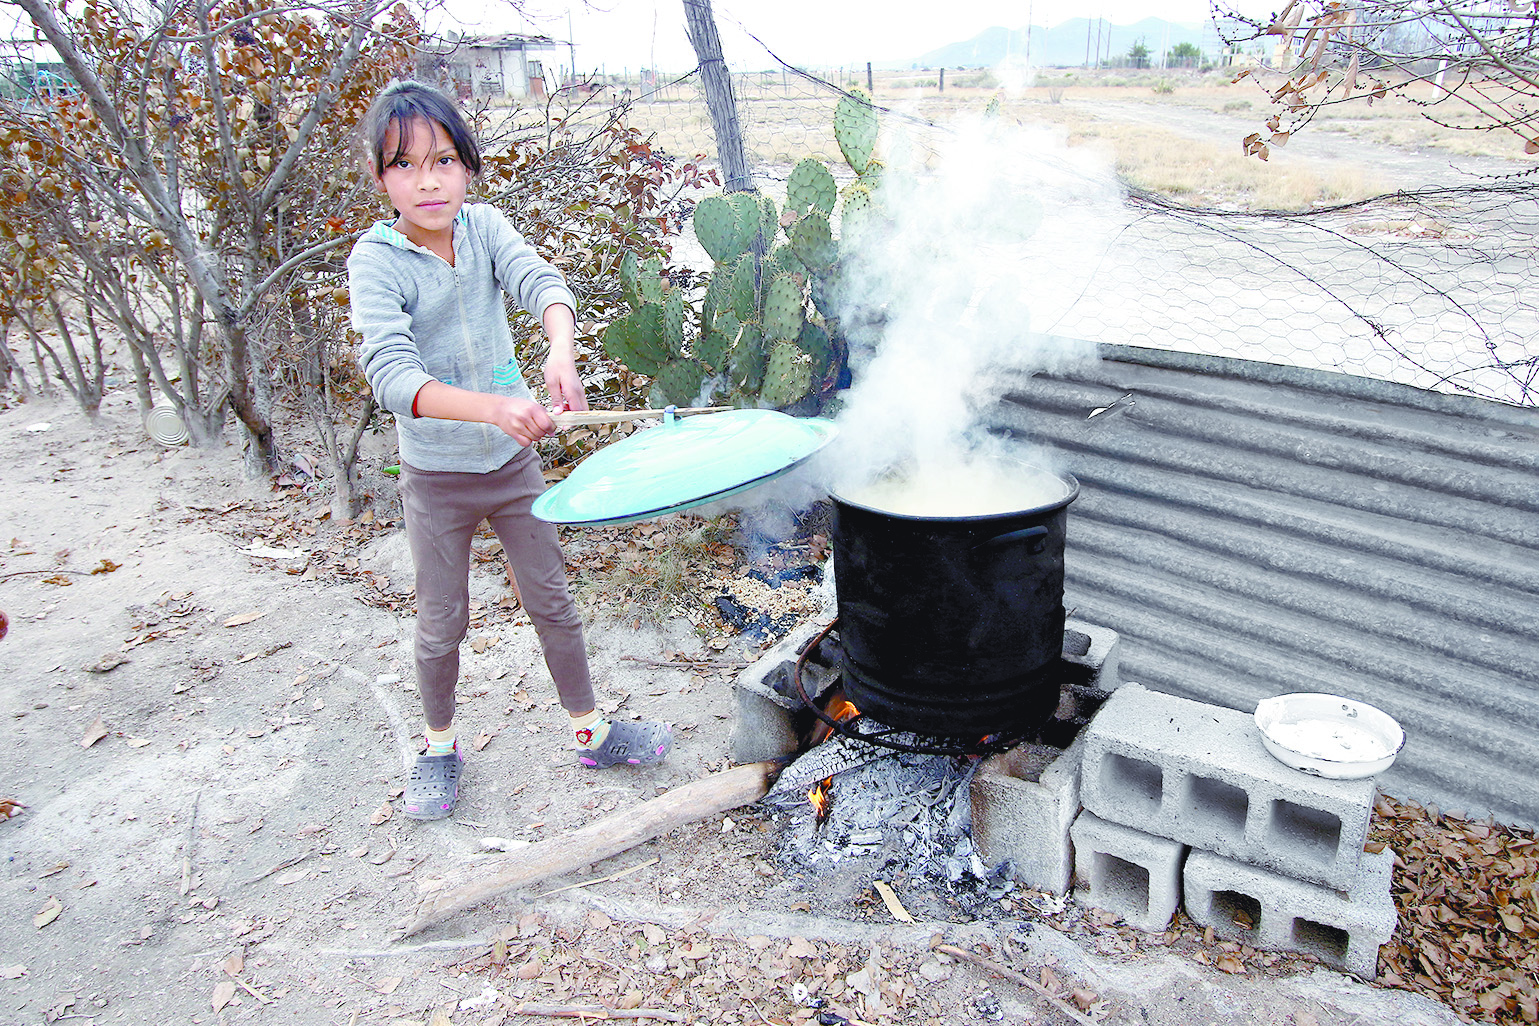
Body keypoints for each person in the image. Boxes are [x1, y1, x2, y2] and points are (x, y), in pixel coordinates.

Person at [347, 80, 671, 821]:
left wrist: (560, 348)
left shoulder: (486, 227)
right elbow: (394, 376)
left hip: (513, 467)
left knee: (553, 603)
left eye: (444, 160)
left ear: (467, 167)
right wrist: (495, 408)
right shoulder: (376, 260)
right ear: (380, 179)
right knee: (441, 621)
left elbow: (541, 282)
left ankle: (592, 733)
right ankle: (437, 747)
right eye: (405, 165)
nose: (427, 181)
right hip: (437, 477)